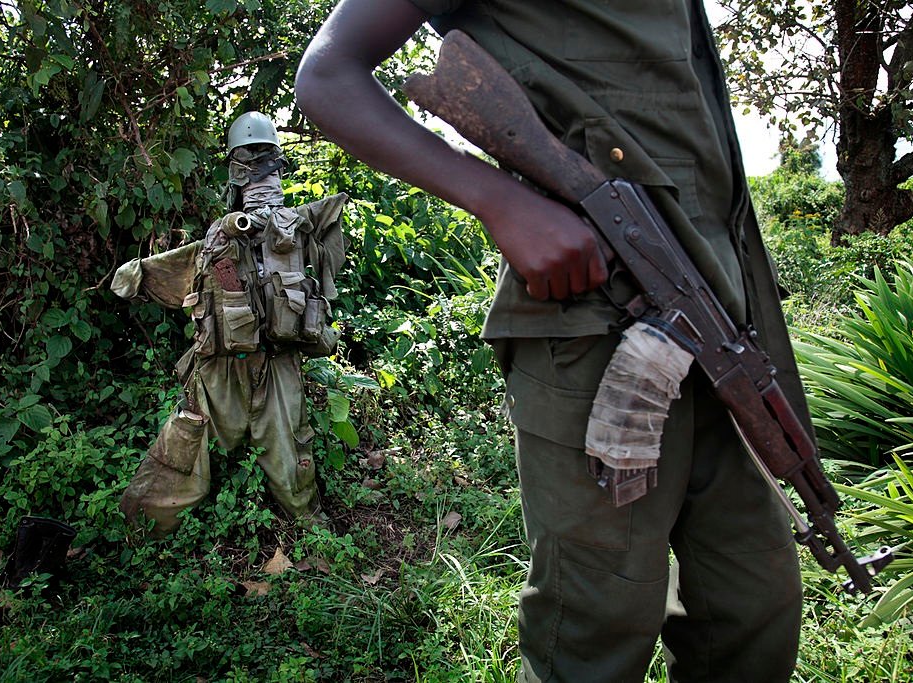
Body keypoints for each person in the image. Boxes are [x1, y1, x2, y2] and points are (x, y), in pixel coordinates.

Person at [296, 1, 808, 682]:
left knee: (754, 605)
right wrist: (500, 201)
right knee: (596, 628)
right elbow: (328, 75)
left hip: (720, 329)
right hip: (593, 328)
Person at [112, 112, 347, 537]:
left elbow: (149, 275)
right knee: (192, 443)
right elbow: (151, 274)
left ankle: (143, 532)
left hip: (269, 363)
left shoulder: (291, 230)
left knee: (288, 455)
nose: (259, 184)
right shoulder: (225, 239)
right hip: (228, 366)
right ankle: (141, 530)